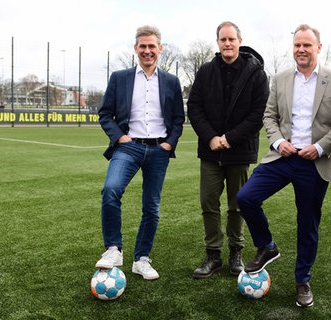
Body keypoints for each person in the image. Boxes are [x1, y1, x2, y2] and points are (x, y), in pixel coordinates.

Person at [236, 24, 331, 308]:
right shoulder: (281, 78)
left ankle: (302, 281)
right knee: (246, 197)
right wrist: (278, 143)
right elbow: (269, 117)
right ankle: (267, 246)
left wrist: (320, 146)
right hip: (283, 157)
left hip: (315, 161)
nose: (301, 50)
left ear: (318, 48)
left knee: (307, 223)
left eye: (307, 45)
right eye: (298, 45)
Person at [95, 25, 185, 281]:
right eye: (142, 46)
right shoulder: (120, 77)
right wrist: (120, 137)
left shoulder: (171, 81)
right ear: (136, 49)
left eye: (152, 46)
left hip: (159, 150)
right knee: (111, 190)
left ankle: (141, 259)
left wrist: (169, 143)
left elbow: (178, 118)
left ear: (160, 49)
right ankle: (113, 249)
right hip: (129, 146)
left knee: (151, 206)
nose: (147, 51)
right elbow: (105, 113)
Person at [187, 21, 269, 279]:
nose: (227, 43)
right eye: (223, 40)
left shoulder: (256, 73)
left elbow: (259, 114)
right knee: (209, 203)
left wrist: (229, 138)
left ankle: (236, 252)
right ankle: (213, 255)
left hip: (239, 151)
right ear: (218, 42)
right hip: (210, 151)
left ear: (239, 41)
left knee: (237, 205)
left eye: (231, 39)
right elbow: (195, 107)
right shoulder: (206, 71)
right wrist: (211, 137)